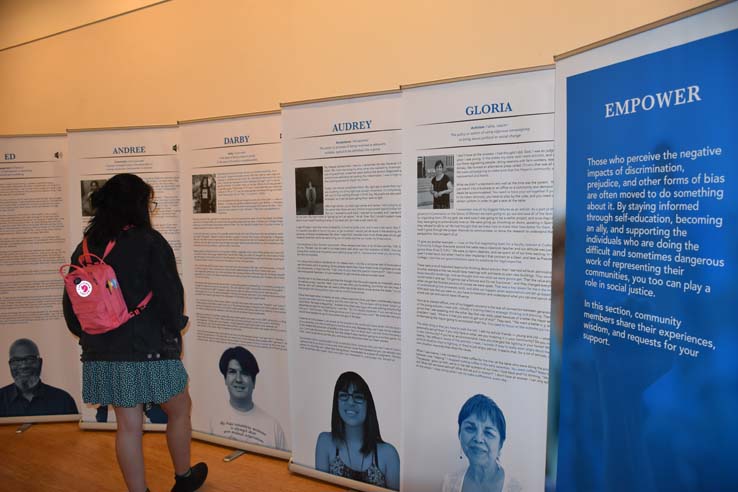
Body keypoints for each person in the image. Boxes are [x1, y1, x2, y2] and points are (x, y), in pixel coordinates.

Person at [62, 174, 206, 492]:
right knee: (179, 407)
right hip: (148, 349)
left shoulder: (84, 248)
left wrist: (97, 335)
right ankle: (184, 477)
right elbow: (170, 297)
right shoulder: (150, 242)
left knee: (127, 425)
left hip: (102, 351)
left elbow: (73, 313)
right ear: (139, 205)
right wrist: (175, 328)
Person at [315, 371, 400, 490]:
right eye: (344, 395)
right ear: (336, 402)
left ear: (368, 404)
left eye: (358, 397)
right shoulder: (325, 443)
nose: (350, 402)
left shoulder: (388, 455)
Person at [209, 346, 287, 450]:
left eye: (244, 373)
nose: (238, 379)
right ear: (225, 379)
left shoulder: (273, 427)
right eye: (232, 372)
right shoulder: (213, 420)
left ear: (254, 382)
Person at [442, 394, 522, 492]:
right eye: (470, 428)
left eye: (488, 432)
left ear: (500, 444)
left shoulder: (516, 488)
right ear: (459, 434)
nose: (478, 439)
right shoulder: (449, 483)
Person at [0, 338, 78, 417]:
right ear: (10, 365)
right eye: (17, 361)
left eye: (29, 359)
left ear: (40, 363)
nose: (24, 366)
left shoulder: (63, 400)